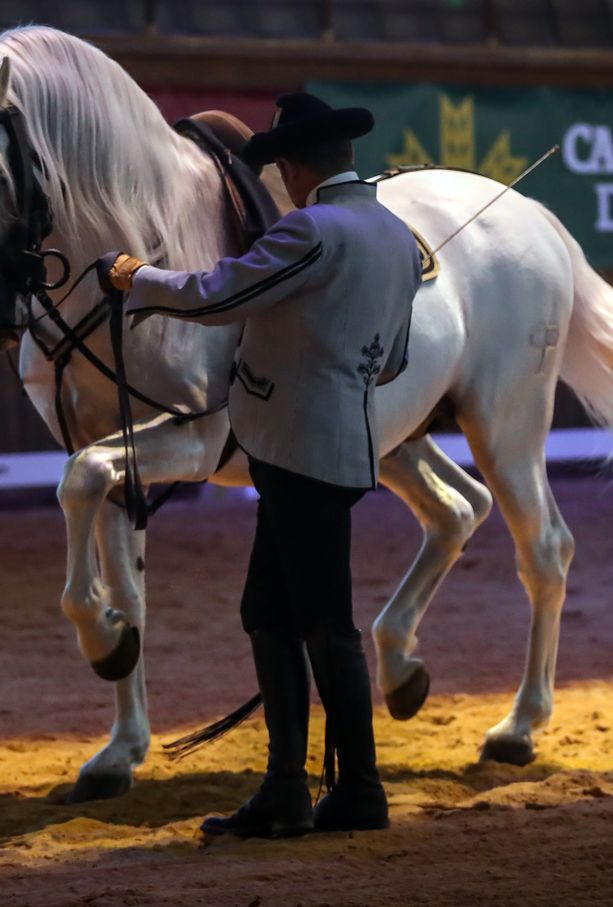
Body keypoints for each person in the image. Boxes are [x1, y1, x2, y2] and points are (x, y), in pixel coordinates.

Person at [97, 92, 421, 838]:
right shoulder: (399, 237)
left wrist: (135, 277)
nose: (282, 182)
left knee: (322, 625)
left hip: (291, 447)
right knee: (271, 613)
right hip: (338, 442)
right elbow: (393, 359)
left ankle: (351, 788)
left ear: (300, 167)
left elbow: (218, 295)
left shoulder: (313, 229)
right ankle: (293, 786)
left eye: (281, 168)